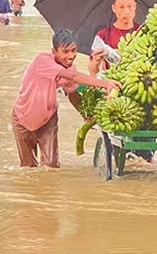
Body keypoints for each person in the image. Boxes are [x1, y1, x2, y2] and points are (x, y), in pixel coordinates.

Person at [12, 29, 121, 168]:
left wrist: (86, 115)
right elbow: (73, 77)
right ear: (54, 51)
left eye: (74, 50)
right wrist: (106, 84)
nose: (71, 56)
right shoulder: (43, 60)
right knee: (28, 167)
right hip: (23, 117)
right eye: (65, 52)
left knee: (51, 166)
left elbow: (73, 94)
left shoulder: (70, 69)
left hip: (48, 120)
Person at [88, 0, 155, 163]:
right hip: (115, 91)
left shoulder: (144, 33)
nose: (126, 11)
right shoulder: (104, 35)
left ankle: (146, 156)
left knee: (144, 155)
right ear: (114, 8)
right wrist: (96, 61)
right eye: (121, 7)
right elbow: (93, 71)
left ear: (135, 7)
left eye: (129, 6)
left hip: (141, 89)